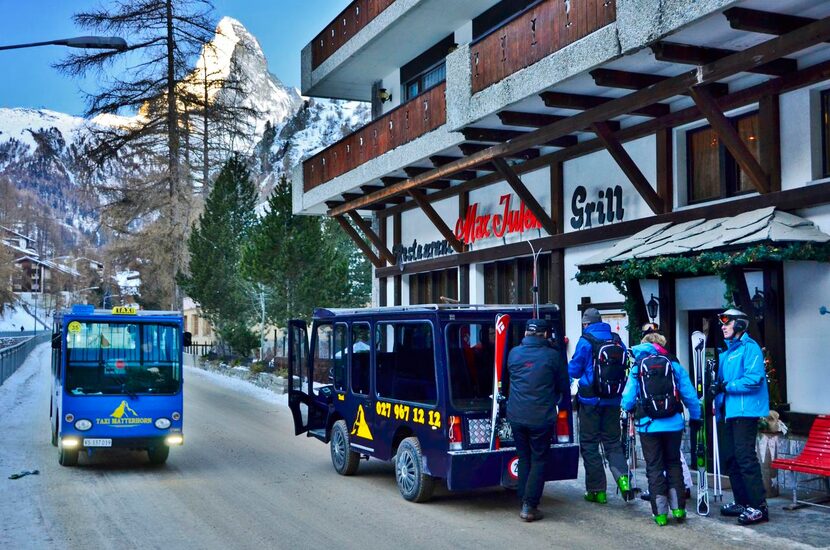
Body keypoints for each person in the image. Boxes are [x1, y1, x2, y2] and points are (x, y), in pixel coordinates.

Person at [620, 326, 701, 526]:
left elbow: (628, 398)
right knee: (673, 463)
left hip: (648, 426)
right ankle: (679, 508)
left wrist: (626, 408)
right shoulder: (673, 364)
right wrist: (696, 417)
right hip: (673, 424)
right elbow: (689, 394)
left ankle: (661, 513)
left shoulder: (638, 366)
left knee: (654, 467)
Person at [711, 308, 770, 526]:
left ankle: (759, 507)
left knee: (745, 458)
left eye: (727, 322)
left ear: (740, 325)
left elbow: (754, 379)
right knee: (732, 459)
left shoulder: (750, 347)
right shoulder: (727, 353)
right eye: (722, 323)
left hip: (746, 411)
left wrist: (726, 386)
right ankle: (743, 502)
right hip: (729, 412)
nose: (723, 326)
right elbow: (722, 385)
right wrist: (715, 396)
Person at [506, 318, 569, 522]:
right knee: (538, 459)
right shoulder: (552, 356)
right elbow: (563, 385)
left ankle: (523, 498)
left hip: (516, 414)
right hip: (540, 417)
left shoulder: (514, 353)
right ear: (545, 335)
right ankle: (529, 506)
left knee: (524, 458)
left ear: (526, 333)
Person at [568, 307, 630, 503]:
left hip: (590, 402)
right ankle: (623, 480)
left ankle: (597, 491)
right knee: (613, 443)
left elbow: (575, 370)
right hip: (613, 400)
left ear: (586, 323)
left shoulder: (585, 341)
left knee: (590, 444)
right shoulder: (616, 339)